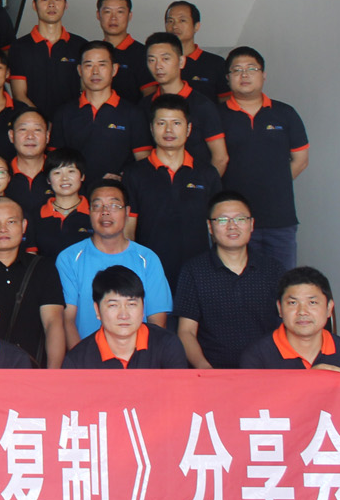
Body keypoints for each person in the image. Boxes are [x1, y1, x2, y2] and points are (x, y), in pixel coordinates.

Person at [174, 192, 293, 369]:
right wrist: (205, 369)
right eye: (222, 220)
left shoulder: (273, 269)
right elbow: (186, 331)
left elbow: (289, 323)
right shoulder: (194, 270)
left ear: (251, 224)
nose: (232, 226)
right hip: (213, 372)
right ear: (210, 227)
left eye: (240, 219)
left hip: (266, 370)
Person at [219, 46, 309, 269]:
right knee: (237, 281)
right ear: (228, 78)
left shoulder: (285, 113)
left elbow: (301, 160)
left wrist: (275, 182)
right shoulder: (216, 115)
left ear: (263, 75)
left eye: (251, 69)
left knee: (282, 281)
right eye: (237, 70)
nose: (244, 75)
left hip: (279, 219)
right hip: (233, 220)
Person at [55, 181, 171, 347]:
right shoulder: (69, 258)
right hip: (86, 357)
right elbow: (67, 320)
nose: (105, 212)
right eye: (97, 206)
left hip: (139, 357)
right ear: (89, 212)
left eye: (114, 205)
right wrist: (81, 360)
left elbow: (157, 322)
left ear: (127, 212)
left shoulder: (147, 259)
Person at [122, 96, 221, 285]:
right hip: (151, 274)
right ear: (152, 128)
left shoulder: (207, 173)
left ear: (188, 129)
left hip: (199, 274)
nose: (169, 130)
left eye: (176, 123)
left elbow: (217, 229)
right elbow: (128, 229)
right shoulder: (134, 174)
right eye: (161, 123)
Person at [0, 196, 66, 367]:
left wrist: (52, 374)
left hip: (32, 369)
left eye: (11, 222)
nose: (3, 229)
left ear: (23, 226)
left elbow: (53, 323)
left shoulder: (43, 268)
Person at [239, 267, 340, 372]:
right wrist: (307, 381)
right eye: (293, 303)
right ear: (280, 308)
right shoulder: (257, 357)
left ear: (329, 308)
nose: (302, 312)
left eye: (312, 303)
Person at [49, 40, 142, 184]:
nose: (95, 72)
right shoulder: (64, 113)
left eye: (102, 65)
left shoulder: (133, 113)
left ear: (114, 69)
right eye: (89, 65)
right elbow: (55, 162)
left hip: (116, 193)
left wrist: (124, 179)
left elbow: (143, 162)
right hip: (75, 194)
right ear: (79, 70)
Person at [61, 266, 188, 369]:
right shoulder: (77, 360)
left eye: (131, 304)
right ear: (97, 310)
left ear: (143, 307)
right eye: (113, 305)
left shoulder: (167, 345)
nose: (124, 315)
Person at [141, 32, 227, 170]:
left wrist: (206, 183)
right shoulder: (144, 105)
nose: (158, 66)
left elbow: (220, 158)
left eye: (165, 59)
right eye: (152, 60)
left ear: (181, 61)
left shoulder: (203, 105)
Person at [6, 0, 84, 120]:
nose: (51, 5)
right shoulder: (19, 47)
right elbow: (19, 95)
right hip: (35, 127)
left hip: (72, 124)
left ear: (65, 4)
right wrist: (42, 124)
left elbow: (87, 90)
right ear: (34, 5)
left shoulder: (81, 45)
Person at [31, 148, 93, 262]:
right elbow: (31, 258)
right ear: (48, 180)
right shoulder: (36, 215)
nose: (64, 178)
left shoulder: (95, 213)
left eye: (71, 171)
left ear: (82, 176)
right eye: (57, 173)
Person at [164, 0, 229, 99]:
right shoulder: (157, 62)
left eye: (182, 20)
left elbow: (225, 101)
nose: (175, 26)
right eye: (170, 21)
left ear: (196, 26)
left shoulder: (216, 63)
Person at [94, 0, 149, 101]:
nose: (113, 18)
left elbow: (149, 96)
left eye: (120, 12)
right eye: (107, 12)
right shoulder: (93, 54)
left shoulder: (144, 53)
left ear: (130, 16)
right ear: (98, 15)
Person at [5, 109, 52, 218]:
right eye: (23, 129)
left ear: (47, 136)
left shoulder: (61, 173)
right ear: (11, 136)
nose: (30, 136)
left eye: (37, 130)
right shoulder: (1, 174)